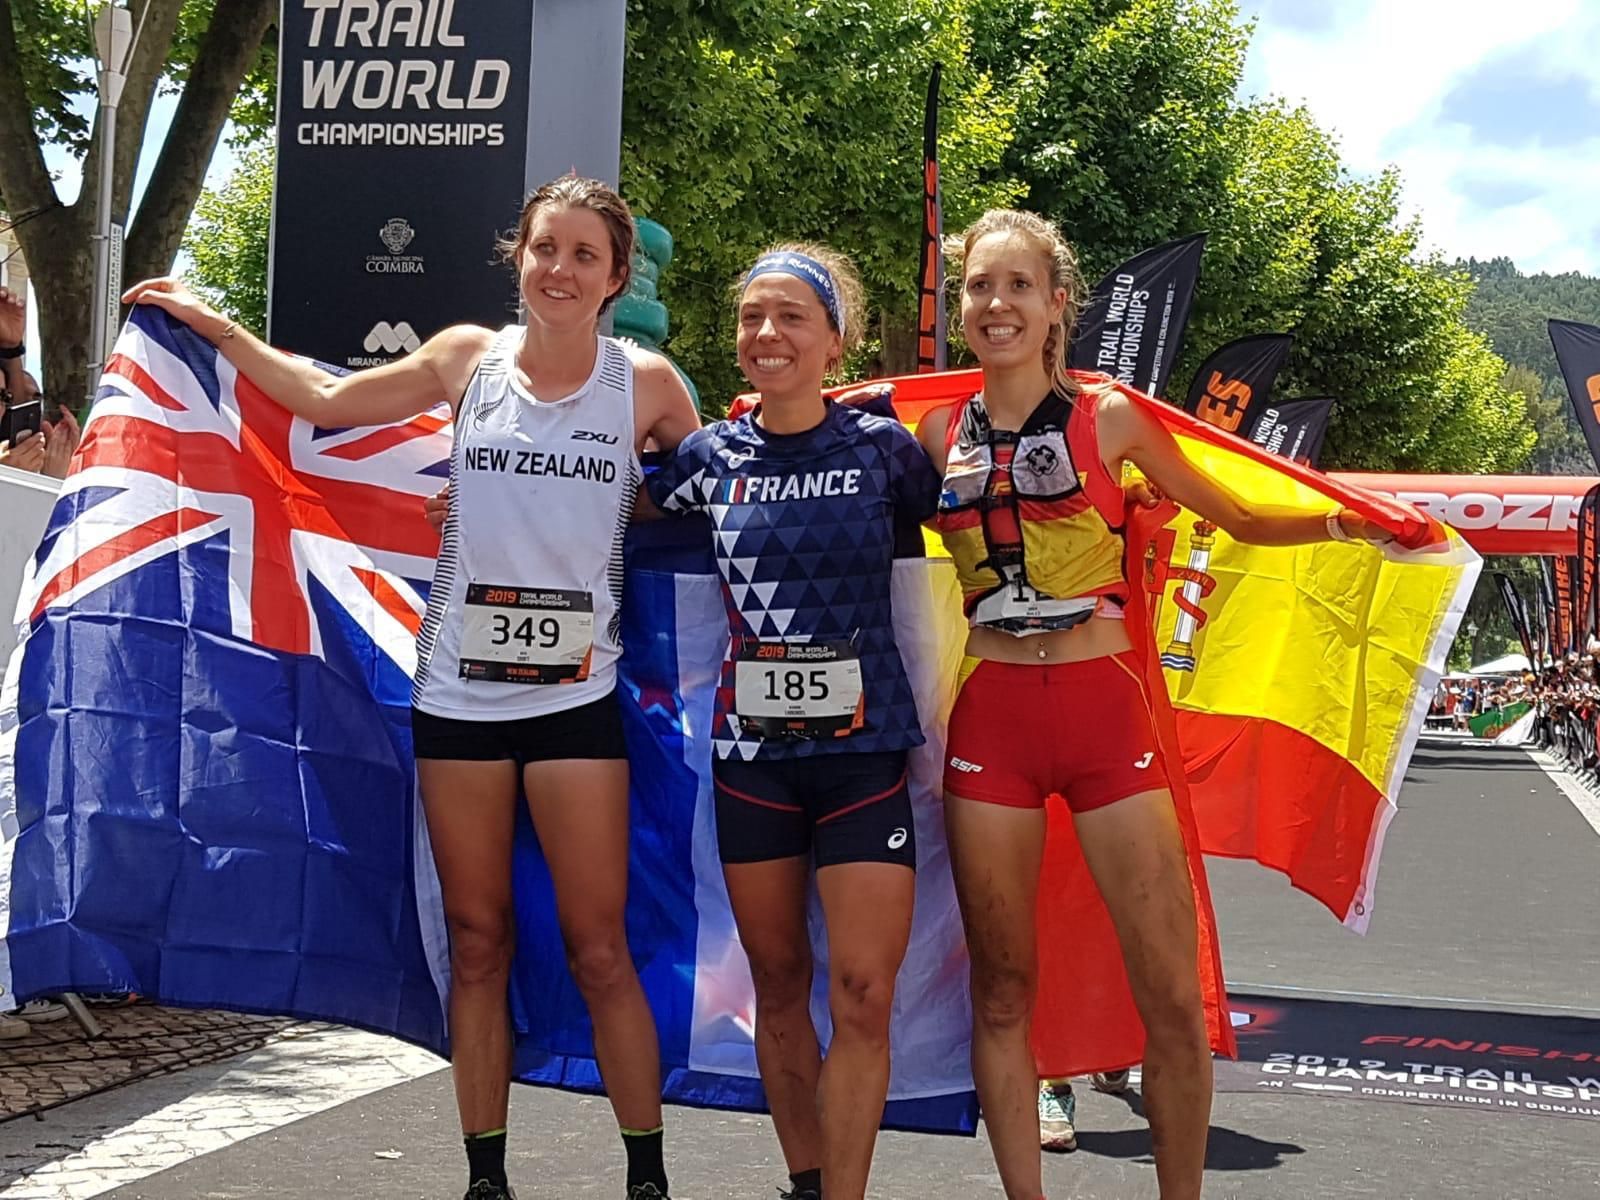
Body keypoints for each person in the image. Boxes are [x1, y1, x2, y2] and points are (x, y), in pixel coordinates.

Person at [123, 176, 700, 1200]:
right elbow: (323, 402)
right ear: (516, 256)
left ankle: (646, 1177)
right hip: (461, 703)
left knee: (597, 945)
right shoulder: (463, 358)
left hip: (575, 703)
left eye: (583, 255)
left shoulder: (646, 384)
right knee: (476, 943)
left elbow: (697, 506)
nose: (559, 270)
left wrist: (636, 510)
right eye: (544, 248)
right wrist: (210, 323)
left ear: (615, 278)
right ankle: (486, 1177)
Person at [916, 208, 1392, 1200]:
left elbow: (1242, 508)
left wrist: (1351, 520)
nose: (995, 304)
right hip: (991, 724)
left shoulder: (1113, 420)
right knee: (1001, 991)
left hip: (1105, 716)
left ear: (1056, 305)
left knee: (1169, 997)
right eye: (977, 286)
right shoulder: (930, 432)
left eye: (1016, 286)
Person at [643, 245, 941, 1200]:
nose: (766, 336)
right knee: (778, 986)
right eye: (751, 319)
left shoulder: (884, 452)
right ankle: (806, 1180)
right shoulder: (707, 457)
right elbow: (599, 503)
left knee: (861, 993)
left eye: (790, 319)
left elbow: (983, 511)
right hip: (753, 767)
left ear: (834, 343)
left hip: (865, 758)